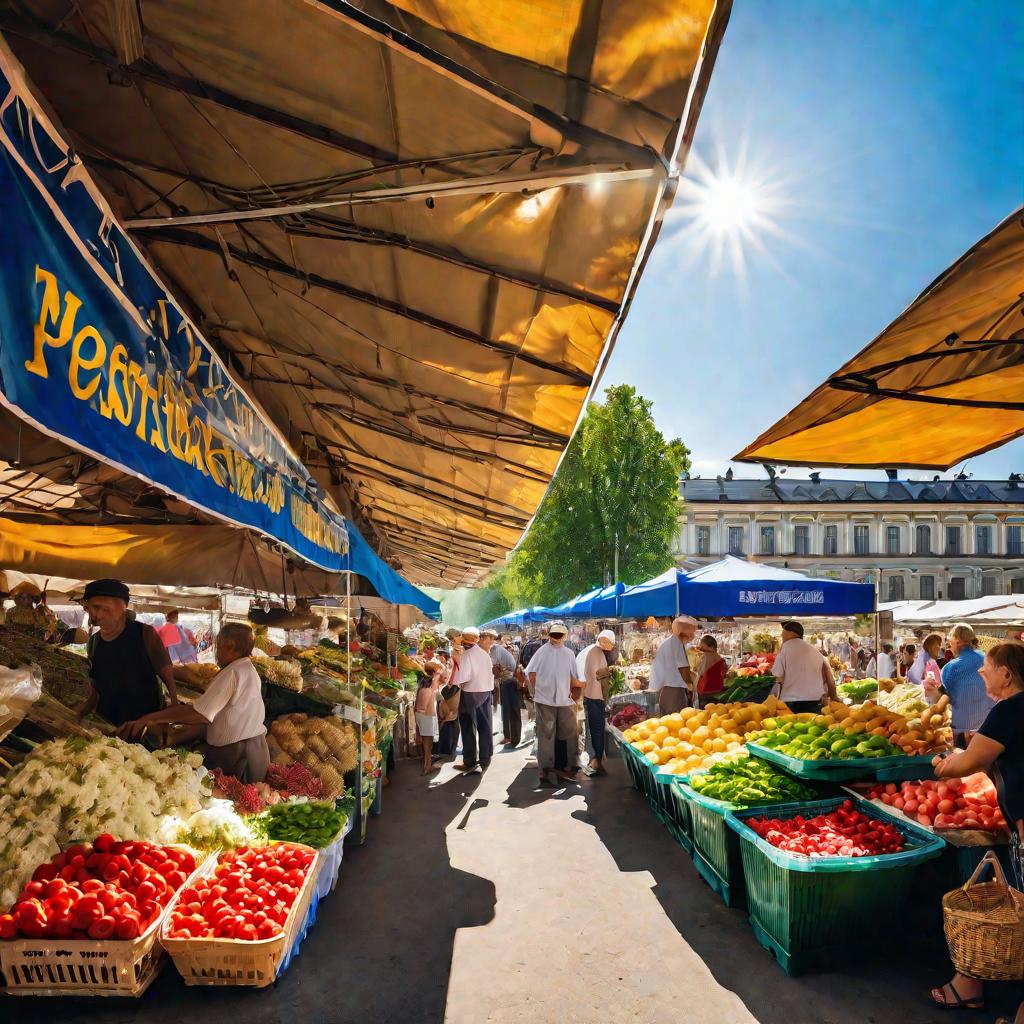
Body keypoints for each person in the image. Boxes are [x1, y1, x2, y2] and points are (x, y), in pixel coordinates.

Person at [929, 642, 1024, 1015]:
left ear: (1007, 673)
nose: (981, 672)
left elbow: (967, 763)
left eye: (987, 666)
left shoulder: (1009, 709)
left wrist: (942, 764)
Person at [120, 623, 270, 782]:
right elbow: (217, 718)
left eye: (218, 646)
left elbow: (200, 715)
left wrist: (152, 718)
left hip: (240, 755)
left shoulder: (233, 672)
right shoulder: (247, 669)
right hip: (251, 750)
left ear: (230, 647)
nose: (217, 652)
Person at [75, 579, 178, 727]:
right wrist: (78, 714)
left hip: (144, 723)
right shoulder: (94, 642)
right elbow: (96, 688)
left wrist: (174, 706)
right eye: (91, 608)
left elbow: (165, 670)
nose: (96, 615)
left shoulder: (144, 633)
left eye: (102, 608)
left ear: (122, 606)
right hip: (109, 723)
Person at [526, 621, 581, 787]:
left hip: (564, 699)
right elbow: (531, 673)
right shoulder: (542, 652)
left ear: (563, 636)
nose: (557, 638)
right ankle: (546, 768)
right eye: (555, 635)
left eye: (559, 635)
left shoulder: (569, 653)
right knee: (547, 735)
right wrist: (538, 691)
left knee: (566, 733)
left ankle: (567, 765)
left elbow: (574, 677)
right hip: (546, 700)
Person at [933, 623, 995, 744]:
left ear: (958, 641)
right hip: (990, 727)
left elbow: (948, 698)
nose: (949, 647)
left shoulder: (950, 668)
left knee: (964, 759)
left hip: (963, 729)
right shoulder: (989, 659)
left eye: (951, 642)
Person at [771, 620, 837, 714]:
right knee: (813, 726)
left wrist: (775, 700)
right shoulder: (815, 651)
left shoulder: (785, 649)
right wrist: (834, 697)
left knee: (792, 728)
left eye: (783, 632)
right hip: (815, 701)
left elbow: (779, 678)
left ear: (791, 632)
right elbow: (830, 679)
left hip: (791, 703)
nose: (781, 635)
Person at [453, 626, 494, 772]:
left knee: (468, 727)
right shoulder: (484, 654)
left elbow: (463, 678)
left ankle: (469, 761)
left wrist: (455, 684)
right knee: (485, 726)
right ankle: (485, 758)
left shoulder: (467, 655)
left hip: (470, 694)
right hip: (485, 693)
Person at [578, 628, 616, 777]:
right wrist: (609, 671)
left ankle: (596, 760)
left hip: (592, 696)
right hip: (594, 696)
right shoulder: (596, 652)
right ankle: (597, 761)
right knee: (597, 729)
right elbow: (598, 674)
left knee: (595, 729)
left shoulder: (596, 651)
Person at [648, 616, 697, 713]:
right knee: (676, 721)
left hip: (666, 690)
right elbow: (683, 668)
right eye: (692, 633)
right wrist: (691, 684)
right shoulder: (677, 643)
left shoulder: (670, 642)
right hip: (673, 691)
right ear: (682, 632)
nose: (693, 637)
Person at [484, 630, 520, 747]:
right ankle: (512, 737)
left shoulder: (494, 650)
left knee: (509, 710)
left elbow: (493, 669)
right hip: (508, 680)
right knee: (511, 710)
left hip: (509, 681)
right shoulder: (495, 649)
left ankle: (510, 737)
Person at [415, 661, 444, 775]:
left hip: (424, 716)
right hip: (426, 716)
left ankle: (428, 765)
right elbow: (422, 706)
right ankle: (427, 767)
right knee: (428, 744)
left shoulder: (425, 682)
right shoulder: (429, 686)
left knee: (427, 743)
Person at [436, 656, 462, 759]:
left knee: (451, 720)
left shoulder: (458, 664)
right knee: (452, 721)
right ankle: (450, 748)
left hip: (453, 692)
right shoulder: (456, 663)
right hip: (452, 691)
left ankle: (450, 748)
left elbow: (451, 681)